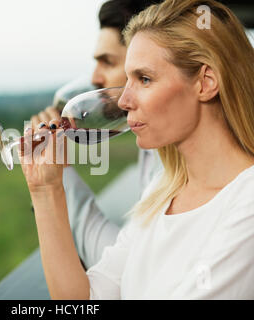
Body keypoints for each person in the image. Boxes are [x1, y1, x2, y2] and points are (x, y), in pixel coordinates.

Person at [19, 0, 254, 300]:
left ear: (205, 83)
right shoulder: (162, 190)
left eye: (144, 79)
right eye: (128, 79)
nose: (124, 100)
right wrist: (46, 190)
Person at [28, 0, 163, 270]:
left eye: (107, 61)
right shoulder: (150, 144)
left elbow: (126, 271)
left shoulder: (172, 152)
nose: (94, 77)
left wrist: (58, 177)